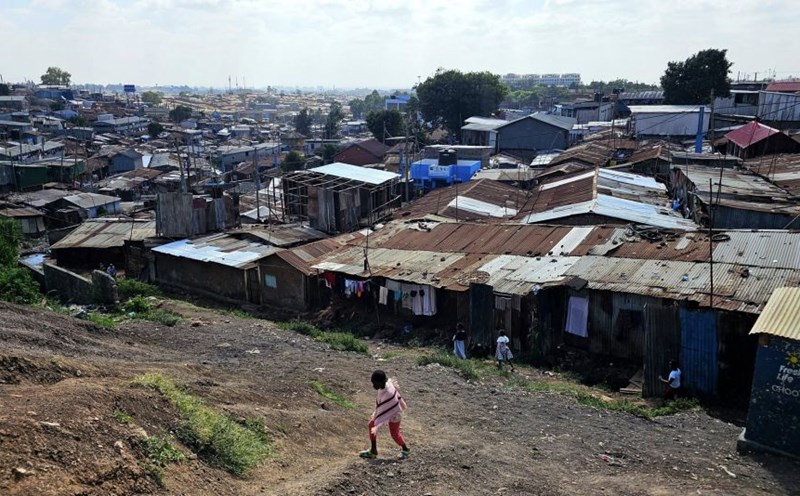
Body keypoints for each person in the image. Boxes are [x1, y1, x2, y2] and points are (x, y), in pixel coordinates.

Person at [360, 370, 410, 460]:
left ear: (382, 381)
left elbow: (386, 408)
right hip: (392, 411)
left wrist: (377, 417)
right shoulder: (384, 386)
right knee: (371, 425)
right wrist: (376, 416)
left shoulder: (388, 393)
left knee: (395, 434)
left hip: (395, 414)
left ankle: (405, 450)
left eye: (375, 383)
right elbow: (382, 407)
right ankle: (373, 450)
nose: (374, 386)